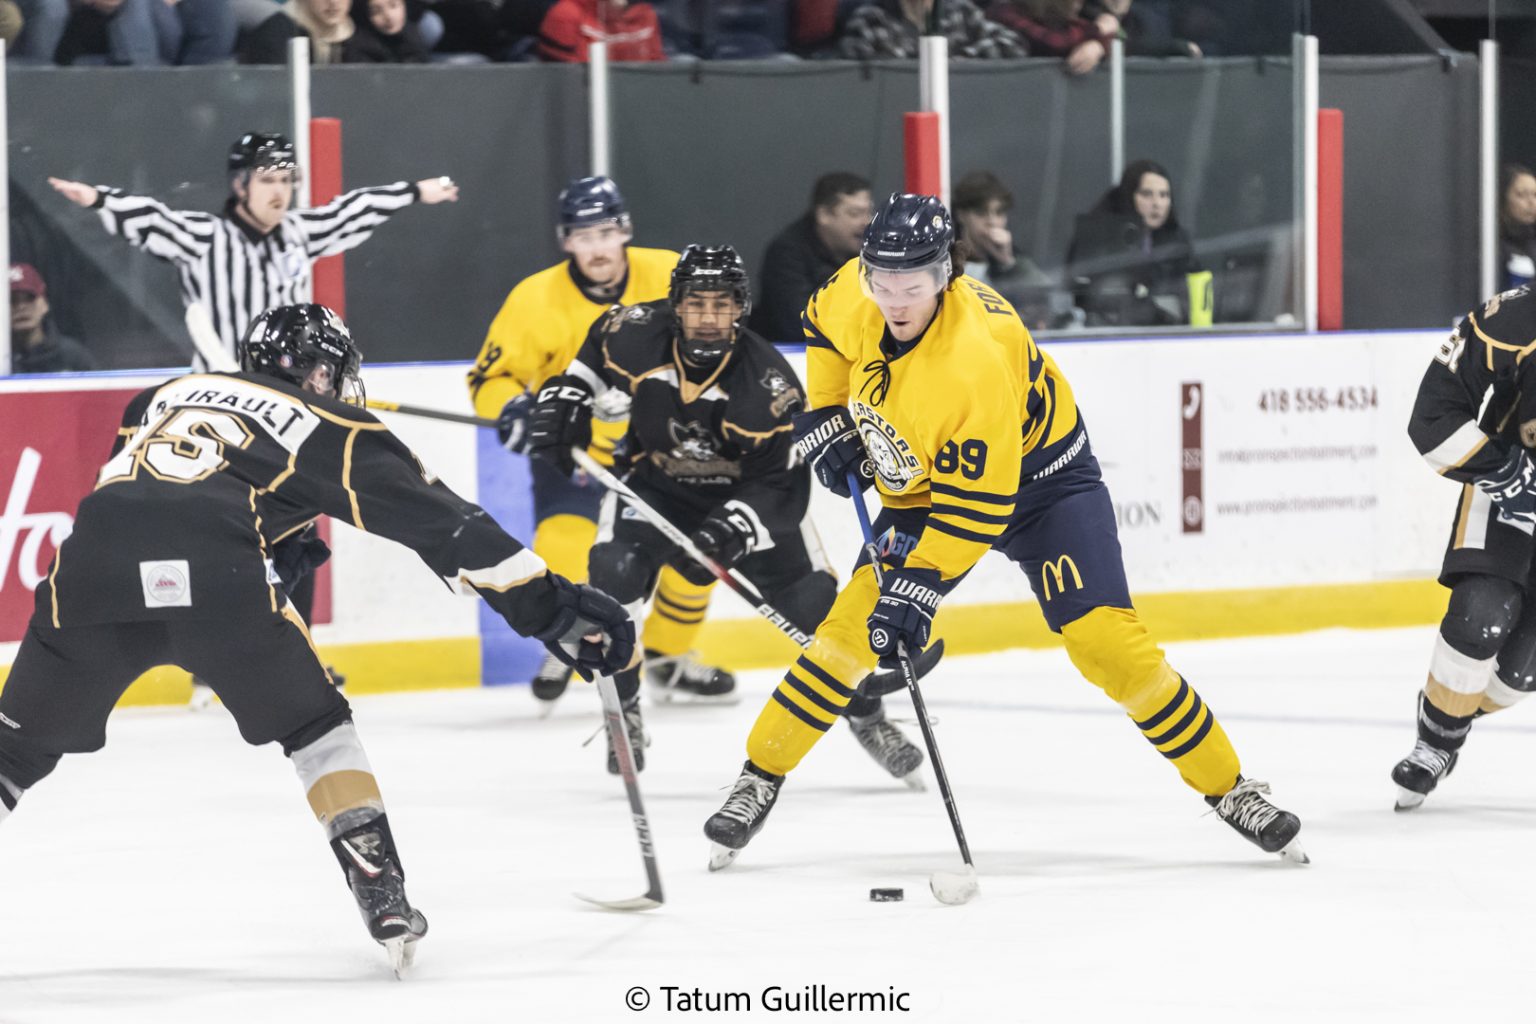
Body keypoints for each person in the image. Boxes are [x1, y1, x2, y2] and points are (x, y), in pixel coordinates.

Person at [0, 304, 635, 974]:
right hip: (222, 581)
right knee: (317, 729)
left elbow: (154, 494)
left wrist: (280, 531)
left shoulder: (157, 396)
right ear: (327, 374)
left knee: (10, 754)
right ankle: (380, 889)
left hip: (90, 571)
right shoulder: (333, 424)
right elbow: (446, 526)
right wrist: (552, 608)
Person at [702, 193, 1305, 869]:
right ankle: (759, 776)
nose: (895, 299)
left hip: (1043, 487)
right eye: (883, 280)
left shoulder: (975, 359)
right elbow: (820, 329)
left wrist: (918, 589)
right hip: (927, 488)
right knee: (847, 632)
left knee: (1107, 644)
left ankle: (1230, 788)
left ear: (947, 276)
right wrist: (825, 412)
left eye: (915, 283)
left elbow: (977, 508)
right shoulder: (857, 290)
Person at [527, 244, 927, 783]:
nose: (710, 317)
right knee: (611, 583)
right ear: (676, 305)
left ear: (741, 308)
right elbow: (596, 353)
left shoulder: (768, 384)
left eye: (723, 304)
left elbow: (784, 486)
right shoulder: (635, 331)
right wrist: (569, 395)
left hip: (749, 498)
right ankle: (623, 709)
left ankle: (866, 714)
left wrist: (732, 530)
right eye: (697, 304)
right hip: (653, 488)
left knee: (815, 609)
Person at [468, 176, 735, 710]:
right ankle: (567, 631)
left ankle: (665, 659)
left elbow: (721, 339)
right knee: (564, 548)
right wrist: (514, 408)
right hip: (576, 449)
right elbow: (488, 380)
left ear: (625, 232)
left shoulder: (668, 275)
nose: (596, 247)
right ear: (566, 241)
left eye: (606, 232)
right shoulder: (534, 299)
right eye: (582, 235)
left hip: (665, 449)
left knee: (701, 553)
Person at [47, 132, 457, 362]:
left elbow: (353, 210)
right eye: (267, 181)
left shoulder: (300, 232)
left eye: (286, 181)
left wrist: (416, 191)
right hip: (218, 402)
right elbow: (154, 219)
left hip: (282, 397)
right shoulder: (206, 238)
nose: (280, 192)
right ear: (240, 185)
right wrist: (100, 199)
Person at [1391, 285, 1536, 810]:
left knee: (1516, 676)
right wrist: (1507, 475)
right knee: (1480, 616)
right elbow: (1433, 413)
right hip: (1514, 487)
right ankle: (1435, 743)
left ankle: (1449, 709)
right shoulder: (1516, 317)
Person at [1065, 158, 1198, 327]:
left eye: (1164, 195)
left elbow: (1192, 284)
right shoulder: (1100, 236)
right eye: (1147, 194)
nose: (1157, 204)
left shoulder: (1177, 240)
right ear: (1129, 195)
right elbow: (1092, 292)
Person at [748, 172, 872, 344]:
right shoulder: (787, 254)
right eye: (854, 213)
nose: (866, 221)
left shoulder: (870, 254)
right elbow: (799, 323)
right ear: (824, 215)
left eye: (868, 212)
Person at [950, 170, 1066, 331]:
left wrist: (1008, 263)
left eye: (999, 213)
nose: (992, 222)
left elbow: (1045, 300)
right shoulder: (948, 260)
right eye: (981, 213)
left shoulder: (1013, 259)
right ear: (962, 215)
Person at [838, 0, 1027, 60]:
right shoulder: (870, 19)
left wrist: (961, 62)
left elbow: (1013, 44)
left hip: (964, 117)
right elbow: (870, 80)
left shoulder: (961, 11)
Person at [8, 263, 97, 374]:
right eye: (12, 300)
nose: (21, 306)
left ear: (44, 304)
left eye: (30, 298)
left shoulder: (72, 356)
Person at [985, 0, 1116, 74]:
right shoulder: (1004, 11)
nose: (1080, 5)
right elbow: (1054, 42)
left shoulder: (1061, 19)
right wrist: (1098, 29)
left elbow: (1122, 41)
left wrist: (1098, 46)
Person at [537, 0, 663, 62]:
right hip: (585, 106)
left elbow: (657, 76)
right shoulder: (565, 15)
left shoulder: (646, 15)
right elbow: (563, 84)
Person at [342, 0, 428, 61]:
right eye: (376, 11)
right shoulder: (359, 48)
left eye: (393, 5)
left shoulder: (413, 33)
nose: (388, 17)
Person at [1499, 165, 1536, 291]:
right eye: (1521, 195)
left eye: (1535, 195)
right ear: (1503, 198)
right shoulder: (1492, 246)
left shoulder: (1532, 243)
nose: (1531, 203)